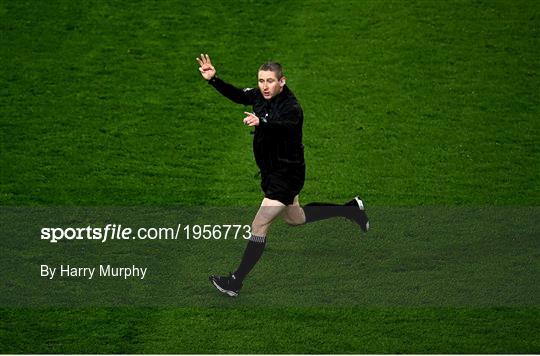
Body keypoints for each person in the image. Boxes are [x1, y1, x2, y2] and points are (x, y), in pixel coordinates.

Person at [196, 54, 369, 297]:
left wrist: (261, 123)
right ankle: (351, 209)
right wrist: (214, 80)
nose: (264, 86)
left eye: (270, 81)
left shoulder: (292, 108)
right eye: (261, 80)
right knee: (295, 218)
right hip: (272, 173)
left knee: (259, 224)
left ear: (282, 82)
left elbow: (283, 127)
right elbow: (238, 95)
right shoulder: (259, 95)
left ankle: (235, 281)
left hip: (287, 175)